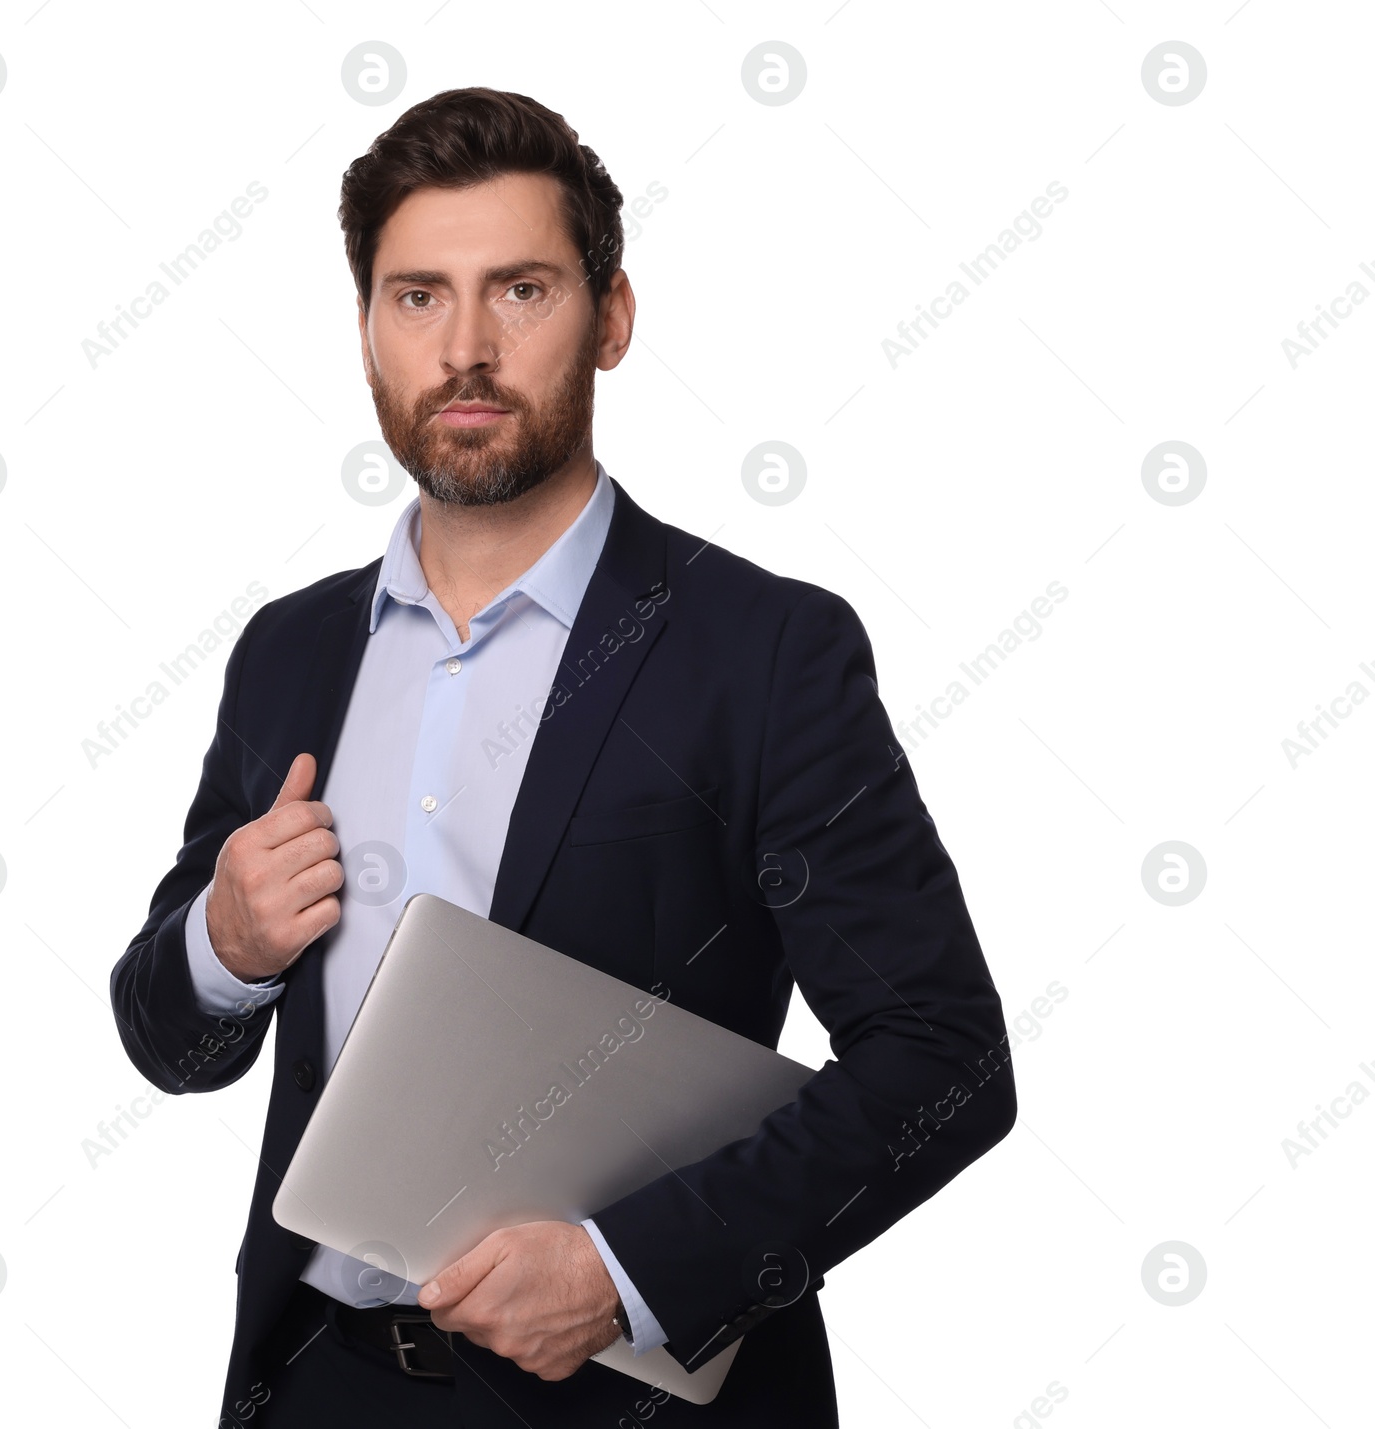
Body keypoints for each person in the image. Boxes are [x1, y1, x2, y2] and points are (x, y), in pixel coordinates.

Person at [109, 85, 1016, 1428]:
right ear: (366, 330)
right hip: (319, 1384)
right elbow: (166, 1040)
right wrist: (223, 947)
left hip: (622, 1400)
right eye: (417, 297)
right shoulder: (291, 653)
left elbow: (943, 1061)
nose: (464, 347)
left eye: (519, 291)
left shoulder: (764, 651)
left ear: (612, 317)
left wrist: (629, 1271)